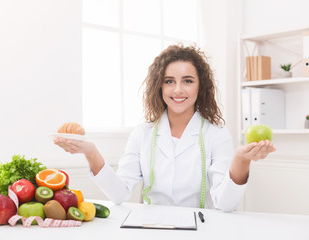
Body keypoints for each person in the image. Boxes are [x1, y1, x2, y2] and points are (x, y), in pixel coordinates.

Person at [54, 44, 275, 212]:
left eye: (188, 81)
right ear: (159, 86)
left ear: (201, 86)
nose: (178, 90)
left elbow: (225, 204)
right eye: (169, 81)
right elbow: (119, 193)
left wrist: (241, 161)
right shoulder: (142, 134)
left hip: (202, 229)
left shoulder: (216, 134)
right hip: (151, 228)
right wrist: (91, 153)